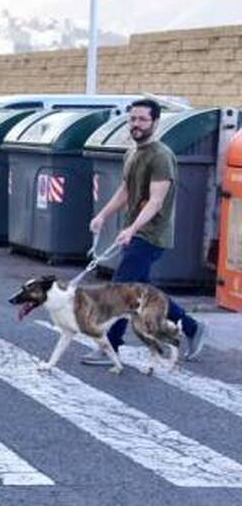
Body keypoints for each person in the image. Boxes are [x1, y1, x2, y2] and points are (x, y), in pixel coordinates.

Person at [85, 98, 209, 364]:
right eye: (133, 119)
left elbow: (156, 201)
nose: (136, 124)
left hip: (151, 235)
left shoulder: (161, 156)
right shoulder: (132, 153)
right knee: (144, 292)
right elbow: (126, 191)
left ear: (155, 122)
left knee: (121, 292)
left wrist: (132, 228)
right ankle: (192, 327)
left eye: (142, 119)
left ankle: (112, 348)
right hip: (136, 233)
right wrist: (103, 215)